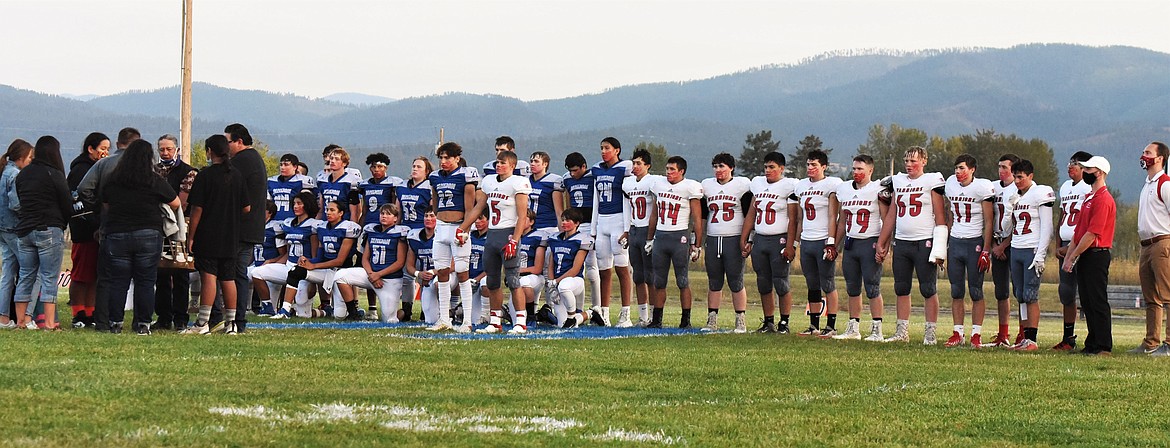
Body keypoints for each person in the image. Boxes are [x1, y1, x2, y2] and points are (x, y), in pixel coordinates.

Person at [96, 139, 180, 334]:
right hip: (148, 234)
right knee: (145, 281)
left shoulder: (113, 179)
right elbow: (175, 202)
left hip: (117, 233)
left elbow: (106, 204)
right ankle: (143, 323)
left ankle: (115, 322)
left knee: (119, 281)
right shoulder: (154, 179)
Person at [876, 146, 947, 344]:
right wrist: (882, 242)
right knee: (901, 287)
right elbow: (892, 214)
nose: (909, 165)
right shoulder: (897, 181)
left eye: (913, 161)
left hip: (924, 241)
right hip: (902, 242)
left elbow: (941, 216)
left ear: (924, 161)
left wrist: (940, 247)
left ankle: (930, 332)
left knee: (928, 288)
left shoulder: (931, 181)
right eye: (906, 161)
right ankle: (902, 331)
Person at [182, 135, 250, 335]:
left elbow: (197, 209)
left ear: (209, 151)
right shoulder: (236, 175)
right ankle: (232, 324)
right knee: (228, 278)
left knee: (209, 276)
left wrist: (191, 236)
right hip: (231, 234)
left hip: (209, 232)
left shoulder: (206, 175)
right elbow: (247, 207)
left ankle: (202, 323)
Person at [77, 127, 141, 332]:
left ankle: (104, 321)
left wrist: (98, 208)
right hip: (140, 225)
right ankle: (141, 322)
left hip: (110, 225)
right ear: (136, 144)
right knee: (141, 278)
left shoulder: (104, 164)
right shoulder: (144, 166)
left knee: (106, 277)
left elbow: (83, 188)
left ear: (118, 142)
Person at [469, 150, 532, 334]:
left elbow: (522, 216)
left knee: (513, 279)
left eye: (503, 162)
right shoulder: (489, 182)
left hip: (508, 233)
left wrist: (515, 239)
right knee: (492, 280)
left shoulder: (518, 183)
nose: (498, 165)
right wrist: (463, 228)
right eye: (497, 162)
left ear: (512, 165)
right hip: (492, 234)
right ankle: (495, 321)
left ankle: (520, 321)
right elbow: (479, 207)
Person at [13, 136, 71, 331]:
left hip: (25, 230)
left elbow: (21, 200)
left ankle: (21, 321)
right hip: (49, 228)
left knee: (26, 275)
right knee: (48, 277)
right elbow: (66, 203)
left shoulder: (23, 174)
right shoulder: (54, 174)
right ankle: (48, 323)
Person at [832, 155, 889, 341]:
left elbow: (887, 220)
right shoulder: (844, 189)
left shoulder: (877, 189)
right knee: (852, 287)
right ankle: (853, 327)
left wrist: (883, 245)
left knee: (872, 287)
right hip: (851, 243)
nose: (856, 172)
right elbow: (842, 222)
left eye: (860, 169)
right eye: (854, 169)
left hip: (870, 242)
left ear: (870, 171)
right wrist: (834, 244)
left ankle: (877, 329)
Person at [1062, 156, 1115, 356]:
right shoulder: (1089, 198)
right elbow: (1079, 231)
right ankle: (1092, 343)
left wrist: (1074, 254)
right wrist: (1070, 256)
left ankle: (1103, 345)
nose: (1085, 172)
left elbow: (1092, 234)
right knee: (1087, 300)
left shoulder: (1103, 199)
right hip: (1085, 254)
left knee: (1097, 300)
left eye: (1089, 169)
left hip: (1096, 254)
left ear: (1099, 172)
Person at [741, 152, 798, 333]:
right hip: (761, 238)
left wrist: (790, 244)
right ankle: (768, 321)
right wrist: (745, 236)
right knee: (763, 282)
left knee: (781, 282)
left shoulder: (789, 186)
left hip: (779, 239)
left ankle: (784, 322)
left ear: (781, 169)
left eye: (772, 167)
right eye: (766, 167)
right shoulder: (757, 184)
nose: (768, 170)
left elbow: (793, 219)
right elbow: (752, 213)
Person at [941, 154, 995, 347]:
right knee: (956, 290)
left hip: (974, 243)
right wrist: (943, 244)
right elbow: (948, 214)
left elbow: (989, 221)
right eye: (956, 168)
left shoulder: (982, 187)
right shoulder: (950, 184)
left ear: (972, 170)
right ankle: (958, 332)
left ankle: (976, 334)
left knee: (975, 291)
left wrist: (986, 250)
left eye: (962, 168)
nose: (958, 172)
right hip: (955, 241)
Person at [1000, 159, 1054, 351]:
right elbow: (1005, 229)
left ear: (1031, 176)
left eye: (1020, 177)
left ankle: (1032, 339)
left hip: (1031, 248)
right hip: (1016, 248)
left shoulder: (1040, 193)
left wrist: (1041, 253)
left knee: (1031, 295)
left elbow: (1047, 227)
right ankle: (1024, 337)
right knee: (1020, 295)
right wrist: (1008, 210)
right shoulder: (1015, 196)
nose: (1017, 180)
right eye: (1014, 176)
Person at [274, 200, 360, 319]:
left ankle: (353, 312)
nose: (328, 213)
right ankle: (285, 309)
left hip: (340, 273)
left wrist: (314, 266)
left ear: (341, 213)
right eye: (327, 210)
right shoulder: (321, 227)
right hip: (325, 271)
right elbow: (319, 257)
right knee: (296, 270)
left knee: (339, 316)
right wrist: (308, 261)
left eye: (332, 210)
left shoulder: (347, 228)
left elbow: (340, 261)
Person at [646, 156, 703, 329]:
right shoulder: (659, 185)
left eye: (672, 169)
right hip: (661, 236)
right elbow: (654, 214)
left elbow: (697, 218)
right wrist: (649, 238)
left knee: (682, 280)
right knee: (659, 281)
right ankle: (657, 319)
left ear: (681, 171)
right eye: (667, 169)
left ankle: (685, 320)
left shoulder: (690, 187)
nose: (669, 172)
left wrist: (697, 243)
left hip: (680, 237)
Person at [699, 153, 752, 333]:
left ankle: (740, 320)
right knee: (714, 280)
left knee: (736, 280)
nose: (718, 170)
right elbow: (703, 215)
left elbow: (749, 214)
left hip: (733, 237)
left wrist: (747, 238)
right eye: (715, 166)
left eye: (721, 166)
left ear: (731, 168)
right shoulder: (706, 185)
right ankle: (712, 319)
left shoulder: (742, 185)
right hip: (714, 238)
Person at [793, 150, 844, 337]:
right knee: (812, 284)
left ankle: (831, 326)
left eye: (814, 165)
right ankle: (813, 325)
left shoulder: (831, 185)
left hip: (823, 239)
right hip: (807, 240)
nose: (810, 168)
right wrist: (796, 243)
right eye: (808, 164)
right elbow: (799, 218)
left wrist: (831, 242)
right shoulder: (801, 186)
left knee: (828, 283)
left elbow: (833, 215)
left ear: (824, 167)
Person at [224, 123, 269, 333]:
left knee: (232, 274)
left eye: (228, 142)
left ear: (239, 142)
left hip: (239, 228)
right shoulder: (255, 159)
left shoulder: (241, 161)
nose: (226, 147)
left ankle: (233, 318)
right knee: (239, 274)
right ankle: (238, 319)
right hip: (252, 228)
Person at [429, 143, 479, 331]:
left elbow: (469, 207)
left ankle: (467, 321)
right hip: (441, 226)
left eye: (447, 157)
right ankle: (444, 318)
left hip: (458, 226)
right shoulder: (434, 177)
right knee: (441, 271)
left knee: (462, 272)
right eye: (441, 158)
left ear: (457, 158)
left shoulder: (465, 175)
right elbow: (435, 204)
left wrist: (465, 229)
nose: (443, 161)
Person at [334, 204, 409, 322]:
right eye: (382, 213)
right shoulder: (372, 230)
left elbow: (400, 263)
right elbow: (365, 258)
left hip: (390, 280)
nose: (384, 216)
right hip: (370, 275)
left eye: (388, 214)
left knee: (389, 320)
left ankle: (402, 313)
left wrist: (378, 275)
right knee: (341, 275)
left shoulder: (399, 233)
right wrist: (371, 274)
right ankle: (353, 313)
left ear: (395, 218)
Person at [153, 134, 198, 331]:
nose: (165, 153)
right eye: (162, 149)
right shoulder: (152, 170)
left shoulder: (188, 172)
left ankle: (181, 317)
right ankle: (163, 316)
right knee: (160, 272)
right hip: (157, 224)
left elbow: (182, 201)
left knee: (181, 272)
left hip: (180, 224)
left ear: (176, 150)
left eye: (169, 149)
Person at [589, 137, 634, 327]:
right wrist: (593, 228)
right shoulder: (597, 170)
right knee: (603, 270)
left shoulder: (625, 168)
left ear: (617, 150)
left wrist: (627, 228)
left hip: (618, 221)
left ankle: (626, 313)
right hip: (602, 222)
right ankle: (605, 313)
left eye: (607, 148)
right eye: (601, 148)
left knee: (622, 268)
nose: (603, 151)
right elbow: (595, 200)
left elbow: (628, 199)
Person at [65, 132, 108, 328]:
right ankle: (78, 313)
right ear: (90, 149)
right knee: (81, 274)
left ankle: (90, 312)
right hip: (84, 228)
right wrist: (93, 222)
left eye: (108, 149)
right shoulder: (80, 169)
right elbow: (77, 199)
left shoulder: (98, 168)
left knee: (94, 274)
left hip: (97, 227)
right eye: (102, 149)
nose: (105, 153)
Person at [254, 192, 321, 318]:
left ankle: (323, 312)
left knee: (303, 313)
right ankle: (268, 307)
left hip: (303, 270)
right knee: (257, 273)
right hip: (288, 266)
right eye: (294, 203)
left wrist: (313, 281)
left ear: (307, 205)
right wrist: (274, 263)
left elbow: (314, 254)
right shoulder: (288, 223)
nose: (295, 206)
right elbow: (288, 251)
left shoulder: (313, 225)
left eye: (299, 203)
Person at [1052, 151, 1094, 350]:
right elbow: (1062, 215)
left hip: (1082, 245)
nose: (1070, 166)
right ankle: (1068, 337)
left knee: (1087, 293)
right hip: (1066, 243)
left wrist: (1073, 247)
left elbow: (1087, 219)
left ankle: (1094, 336)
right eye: (1070, 162)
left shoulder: (1089, 187)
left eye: (1075, 163)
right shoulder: (1066, 187)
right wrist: (1058, 242)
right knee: (1066, 292)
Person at [1133, 142, 1170, 355]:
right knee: (1151, 296)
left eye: (1148, 152)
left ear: (1160, 158)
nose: (1144, 155)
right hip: (1146, 245)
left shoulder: (1164, 184)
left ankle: (1169, 343)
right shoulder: (1147, 184)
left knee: (1167, 295)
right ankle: (1151, 342)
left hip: (1162, 242)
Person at [358, 152, 404, 319]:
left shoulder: (391, 184)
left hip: (387, 229)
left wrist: (394, 227)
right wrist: (361, 225)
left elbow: (394, 207)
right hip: (370, 228)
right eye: (374, 167)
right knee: (368, 261)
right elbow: (364, 210)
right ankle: (372, 307)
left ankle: (400, 305)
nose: (376, 170)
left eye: (380, 167)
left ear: (386, 168)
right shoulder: (365, 185)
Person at [984, 153, 1021, 347]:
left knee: (1020, 291)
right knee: (1001, 292)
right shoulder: (992, 187)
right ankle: (1003, 333)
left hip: (1014, 244)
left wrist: (1004, 245)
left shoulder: (1020, 188)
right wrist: (991, 246)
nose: (1001, 171)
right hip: (997, 242)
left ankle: (1024, 333)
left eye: (1005, 167)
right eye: (999, 166)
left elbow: (1020, 222)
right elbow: (988, 218)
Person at [621, 149, 660, 327]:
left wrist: (653, 235)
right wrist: (626, 230)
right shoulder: (628, 183)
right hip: (635, 229)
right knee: (637, 275)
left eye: (639, 163)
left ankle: (653, 316)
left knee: (650, 275)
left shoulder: (654, 181)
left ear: (648, 165)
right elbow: (627, 208)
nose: (635, 167)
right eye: (634, 163)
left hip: (648, 230)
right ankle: (643, 316)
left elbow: (658, 208)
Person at [562, 152, 602, 320]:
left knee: (592, 265)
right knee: (577, 268)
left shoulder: (593, 175)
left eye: (575, 170)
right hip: (575, 224)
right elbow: (569, 200)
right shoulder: (567, 180)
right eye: (570, 171)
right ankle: (579, 308)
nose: (573, 174)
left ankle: (597, 307)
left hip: (590, 223)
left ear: (584, 167)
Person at [0, 139, 34, 329]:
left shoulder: (4, 172)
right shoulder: (15, 175)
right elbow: (15, 203)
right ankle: (25, 315)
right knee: (29, 270)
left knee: (7, 273)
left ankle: (4, 317)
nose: (30, 161)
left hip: (3, 229)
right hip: (14, 228)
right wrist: (29, 213)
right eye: (30, 157)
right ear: (21, 158)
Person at [394, 156, 433, 320]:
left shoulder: (429, 187)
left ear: (427, 171)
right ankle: (407, 309)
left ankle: (427, 309)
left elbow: (432, 210)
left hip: (422, 233)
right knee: (406, 274)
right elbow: (397, 211)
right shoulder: (402, 186)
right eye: (413, 165)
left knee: (425, 272)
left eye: (419, 167)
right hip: (405, 232)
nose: (415, 169)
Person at [546, 208, 594, 328]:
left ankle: (572, 316)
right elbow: (551, 264)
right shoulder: (555, 238)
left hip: (574, 280)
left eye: (568, 220)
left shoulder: (582, 239)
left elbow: (575, 269)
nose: (564, 223)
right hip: (557, 283)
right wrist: (551, 284)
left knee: (564, 286)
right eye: (563, 220)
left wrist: (555, 282)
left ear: (577, 223)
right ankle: (590, 313)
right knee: (563, 325)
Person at [251, 200, 287, 316]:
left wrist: (271, 261)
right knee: (239, 274)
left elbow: (284, 253)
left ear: (270, 213)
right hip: (256, 264)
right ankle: (244, 307)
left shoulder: (274, 227)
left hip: (270, 267)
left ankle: (269, 307)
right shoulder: (255, 226)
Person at [405, 207, 439, 325]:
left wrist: (433, 272)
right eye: (426, 216)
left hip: (444, 275)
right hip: (427, 279)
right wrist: (419, 274)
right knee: (430, 319)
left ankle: (450, 310)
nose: (428, 218)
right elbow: (409, 266)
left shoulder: (442, 235)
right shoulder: (414, 236)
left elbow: (452, 265)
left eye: (432, 216)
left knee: (439, 284)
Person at [514, 210, 548, 328]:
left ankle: (531, 315)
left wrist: (517, 272)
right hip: (517, 280)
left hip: (535, 278)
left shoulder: (538, 236)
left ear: (532, 222)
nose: (520, 222)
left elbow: (538, 268)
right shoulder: (512, 236)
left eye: (524, 219)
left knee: (524, 282)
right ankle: (544, 315)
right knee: (515, 319)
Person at [317, 147, 363, 223]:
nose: (332, 161)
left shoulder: (350, 182)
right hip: (325, 223)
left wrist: (353, 226)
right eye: (331, 158)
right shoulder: (322, 181)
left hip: (343, 223)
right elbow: (320, 209)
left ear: (344, 163)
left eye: (337, 159)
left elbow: (355, 212)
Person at [267, 153, 317, 222]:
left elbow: (309, 203)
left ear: (295, 167)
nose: (282, 167)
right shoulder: (271, 181)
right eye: (281, 165)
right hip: (274, 220)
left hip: (293, 221)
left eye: (286, 165)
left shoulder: (303, 180)